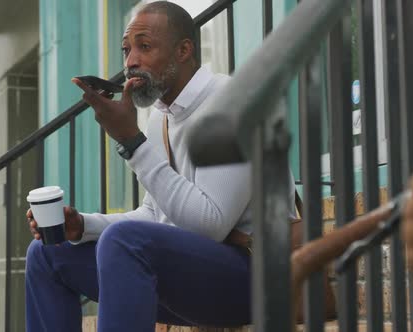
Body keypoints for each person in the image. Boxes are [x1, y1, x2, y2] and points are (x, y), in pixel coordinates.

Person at [25, 2, 295, 331]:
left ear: (184, 50)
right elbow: (155, 215)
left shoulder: (233, 104)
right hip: (197, 282)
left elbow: (210, 225)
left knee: (125, 241)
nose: (130, 62)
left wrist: (133, 143)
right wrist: (83, 226)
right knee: (46, 253)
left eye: (145, 46)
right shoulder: (161, 120)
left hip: (259, 277)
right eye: (126, 50)